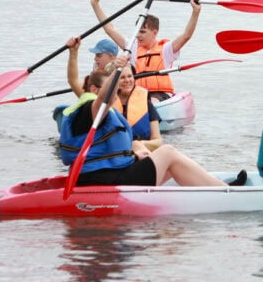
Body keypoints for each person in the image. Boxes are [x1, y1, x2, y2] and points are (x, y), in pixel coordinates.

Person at [59, 54, 247, 187]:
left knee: (170, 166)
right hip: (102, 179)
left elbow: (104, 150)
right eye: (114, 84)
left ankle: (212, 188)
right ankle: (224, 191)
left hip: (108, 173)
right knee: (168, 152)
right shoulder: (88, 110)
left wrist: (135, 154)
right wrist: (116, 69)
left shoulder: (89, 109)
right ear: (94, 89)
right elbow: (103, 100)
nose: (116, 91)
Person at [91, 0, 201, 103]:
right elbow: (110, 29)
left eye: (142, 32)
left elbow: (186, 36)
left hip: (160, 95)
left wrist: (195, 12)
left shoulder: (166, 49)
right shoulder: (132, 48)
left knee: (151, 102)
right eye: (137, 32)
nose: (138, 35)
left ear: (154, 32)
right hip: (137, 93)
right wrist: (95, 5)